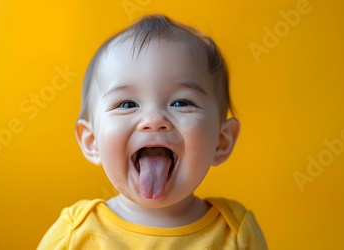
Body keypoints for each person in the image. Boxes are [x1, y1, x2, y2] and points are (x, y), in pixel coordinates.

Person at [38, 14, 267, 249]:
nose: (154, 120)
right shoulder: (75, 233)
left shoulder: (235, 232)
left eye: (181, 102)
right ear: (92, 141)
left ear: (221, 141)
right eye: (127, 104)